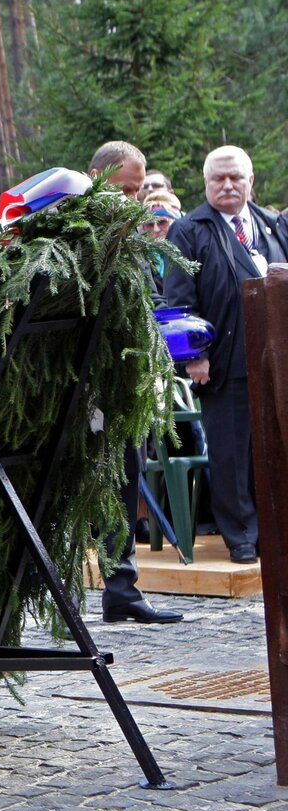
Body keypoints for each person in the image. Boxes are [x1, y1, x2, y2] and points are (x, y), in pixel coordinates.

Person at [164, 145, 288, 566]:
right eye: (219, 178)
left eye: (236, 177)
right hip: (223, 360)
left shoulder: (272, 225)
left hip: (276, 360)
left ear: (251, 182)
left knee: (275, 448)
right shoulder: (189, 230)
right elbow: (180, 298)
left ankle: (276, 529)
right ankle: (242, 537)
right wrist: (194, 356)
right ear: (205, 183)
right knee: (232, 453)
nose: (228, 185)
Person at [88, 141, 181, 623]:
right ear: (96, 178)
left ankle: (121, 586)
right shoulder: (82, 238)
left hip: (132, 386)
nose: (132, 198)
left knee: (126, 481)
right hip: (92, 389)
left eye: (138, 188)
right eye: (124, 187)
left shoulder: (138, 242)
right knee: (97, 484)